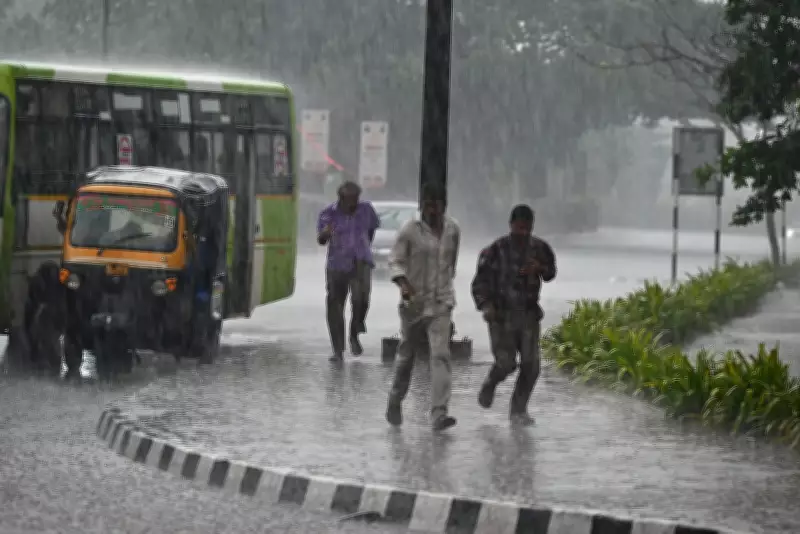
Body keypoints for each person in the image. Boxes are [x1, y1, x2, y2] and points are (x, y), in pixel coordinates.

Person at [470, 204, 557, 425]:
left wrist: (539, 269)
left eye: (527, 228)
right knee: (506, 363)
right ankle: (490, 383)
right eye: (519, 228)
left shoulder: (540, 248)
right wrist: (486, 306)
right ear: (511, 225)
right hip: (501, 316)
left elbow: (551, 273)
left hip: (528, 314)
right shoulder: (494, 251)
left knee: (531, 365)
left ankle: (518, 410)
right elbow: (479, 284)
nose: (523, 233)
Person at [385, 182, 460, 432]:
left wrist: (446, 290)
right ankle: (395, 400)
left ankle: (439, 413)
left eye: (436, 205)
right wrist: (403, 284)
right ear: (422, 206)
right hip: (414, 304)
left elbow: (451, 263)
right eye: (427, 205)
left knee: (440, 355)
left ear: (444, 205)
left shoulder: (453, 229)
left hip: (441, 303)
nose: (432, 210)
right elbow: (395, 261)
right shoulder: (410, 230)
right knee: (407, 356)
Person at [317, 181, 380, 361]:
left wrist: (363, 248)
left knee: (361, 300)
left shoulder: (366, 209)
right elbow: (321, 240)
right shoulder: (328, 214)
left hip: (361, 262)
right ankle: (338, 350)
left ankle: (354, 333)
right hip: (337, 264)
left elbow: (371, 231)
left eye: (356, 199)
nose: (353, 203)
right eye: (349, 200)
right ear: (341, 199)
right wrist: (326, 233)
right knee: (335, 306)